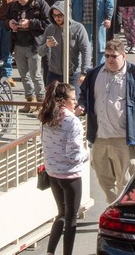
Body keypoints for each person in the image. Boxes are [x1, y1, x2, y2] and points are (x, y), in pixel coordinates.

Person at [77, 39, 135, 204]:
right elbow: (83, 95)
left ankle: (123, 210)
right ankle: (114, 205)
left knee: (125, 180)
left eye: (114, 56)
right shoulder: (94, 74)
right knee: (103, 177)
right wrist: (81, 106)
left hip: (124, 138)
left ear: (124, 56)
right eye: (107, 56)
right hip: (100, 137)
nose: (110, 59)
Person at [39, 82, 90, 255]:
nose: (76, 102)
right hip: (70, 176)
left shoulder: (47, 117)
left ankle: (50, 252)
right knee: (71, 217)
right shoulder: (73, 122)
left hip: (53, 173)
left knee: (61, 213)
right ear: (63, 101)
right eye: (73, 99)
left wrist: (73, 115)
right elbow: (74, 154)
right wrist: (86, 155)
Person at [6, 0, 50, 109]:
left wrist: (30, 23)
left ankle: (41, 102)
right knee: (23, 75)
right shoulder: (14, 5)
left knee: (35, 75)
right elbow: (5, 20)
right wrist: (10, 23)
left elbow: (48, 23)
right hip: (18, 44)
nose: (20, 1)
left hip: (34, 45)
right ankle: (29, 100)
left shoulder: (40, 4)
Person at [42, 2, 91, 87]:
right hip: (54, 73)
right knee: (52, 100)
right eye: (54, 15)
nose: (57, 18)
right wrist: (46, 45)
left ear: (66, 14)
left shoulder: (78, 28)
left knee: (73, 99)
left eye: (60, 15)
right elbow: (39, 52)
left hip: (73, 74)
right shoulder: (50, 28)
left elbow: (86, 50)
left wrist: (84, 72)